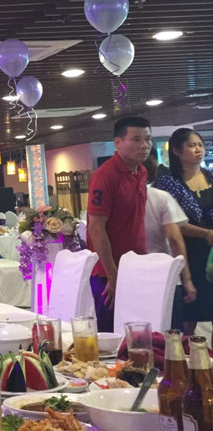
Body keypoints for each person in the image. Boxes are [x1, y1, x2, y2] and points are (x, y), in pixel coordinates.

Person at [86, 116, 152, 332]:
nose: (144, 145)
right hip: (108, 272)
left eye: (148, 139)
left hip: (135, 266)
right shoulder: (105, 176)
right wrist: (113, 275)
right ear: (117, 142)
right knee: (110, 336)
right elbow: (96, 227)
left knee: (137, 333)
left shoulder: (141, 172)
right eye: (136, 139)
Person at [154, 128, 213, 335]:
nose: (198, 149)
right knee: (190, 313)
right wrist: (205, 233)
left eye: (200, 145)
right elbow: (172, 223)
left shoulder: (210, 176)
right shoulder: (168, 182)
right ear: (177, 151)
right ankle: (188, 351)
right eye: (191, 145)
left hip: (211, 251)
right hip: (187, 251)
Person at [143, 149, 196, 328]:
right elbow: (175, 240)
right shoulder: (160, 197)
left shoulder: (118, 200)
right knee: (171, 332)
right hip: (164, 273)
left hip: (132, 275)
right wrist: (187, 279)